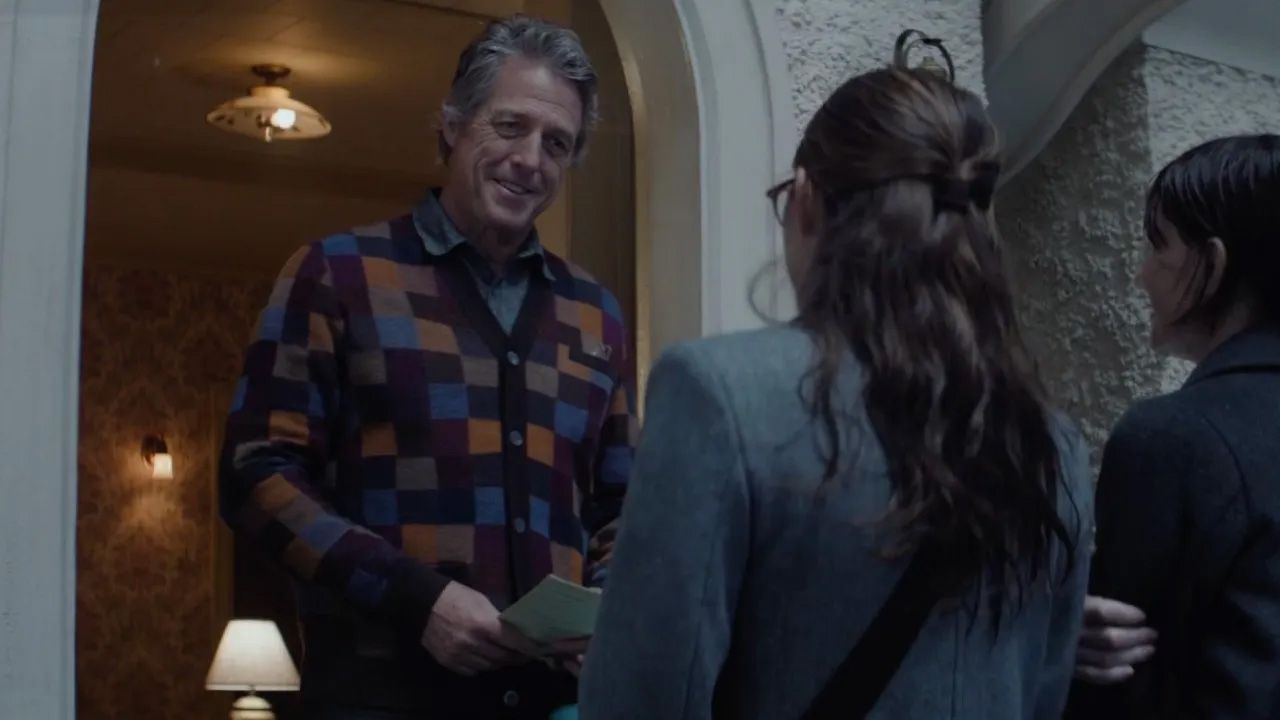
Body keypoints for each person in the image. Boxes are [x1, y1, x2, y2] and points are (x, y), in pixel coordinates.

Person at [578, 59, 1093, 719]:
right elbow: (1044, 693)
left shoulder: (719, 396)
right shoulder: (1054, 444)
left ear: (805, 199)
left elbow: (642, 701)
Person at [218, 15, 636, 720]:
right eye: (511, 126)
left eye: (556, 143)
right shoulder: (339, 275)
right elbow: (255, 474)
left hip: (553, 706)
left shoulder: (594, 314)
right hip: (379, 700)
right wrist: (417, 600)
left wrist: (610, 610)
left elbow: (622, 511)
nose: (530, 160)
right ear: (452, 125)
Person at [1066, 134, 1280, 718]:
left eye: (1157, 247)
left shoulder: (1173, 439)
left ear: (1213, 264)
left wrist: (1056, 636)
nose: (1142, 276)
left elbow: (1116, 683)